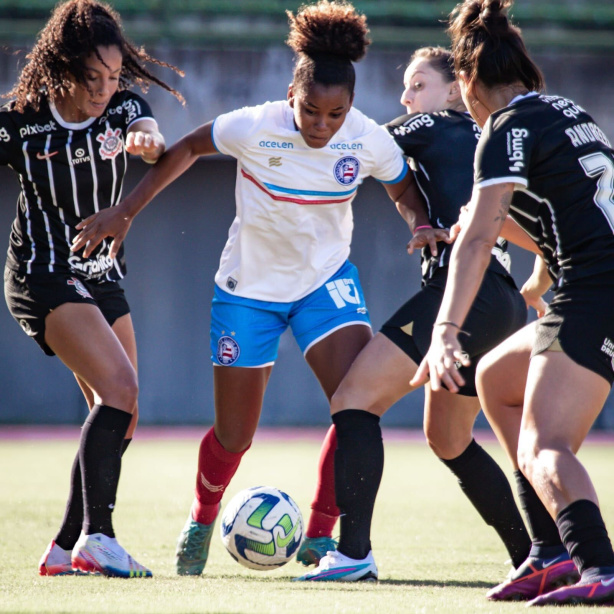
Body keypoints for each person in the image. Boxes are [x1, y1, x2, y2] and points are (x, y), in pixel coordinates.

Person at [70, 0, 446, 577]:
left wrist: (420, 222)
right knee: (234, 434)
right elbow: (191, 146)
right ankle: (201, 518)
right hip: (248, 291)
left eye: (335, 114)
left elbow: (402, 188)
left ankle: (323, 537)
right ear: (291, 97)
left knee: (354, 405)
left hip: (326, 285)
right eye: (311, 111)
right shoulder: (255, 125)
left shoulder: (366, 138)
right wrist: (125, 211)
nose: (322, 126)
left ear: (350, 107)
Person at [295, 45, 537, 583]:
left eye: (418, 84)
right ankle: (535, 556)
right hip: (500, 302)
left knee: (354, 399)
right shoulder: (491, 140)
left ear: (454, 91)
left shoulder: (433, 124)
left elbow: (353, 142)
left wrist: (279, 134)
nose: (407, 98)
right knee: (449, 439)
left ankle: (353, 552)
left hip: (461, 293)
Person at [412, 0, 614, 606]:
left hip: (597, 290)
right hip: (591, 282)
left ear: (469, 85)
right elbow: (568, 207)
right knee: (498, 379)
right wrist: (541, 266)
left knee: (542, 444)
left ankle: (600, 568)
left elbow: (477, 236)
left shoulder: (502, 129)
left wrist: (445, 328)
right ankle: (550, 551)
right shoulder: (567, 111)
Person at [1, 0, 184, 578]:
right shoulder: (22, 122)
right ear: (61, 69)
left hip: (101, 275)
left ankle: (62, 548)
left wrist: (148, 143)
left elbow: (148, 132)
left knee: (120, 413)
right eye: (92, 77)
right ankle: (98, 538)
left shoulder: (125, 107)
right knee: (122, 388)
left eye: (113, 75)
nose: (106, 88)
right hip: (42, 273)